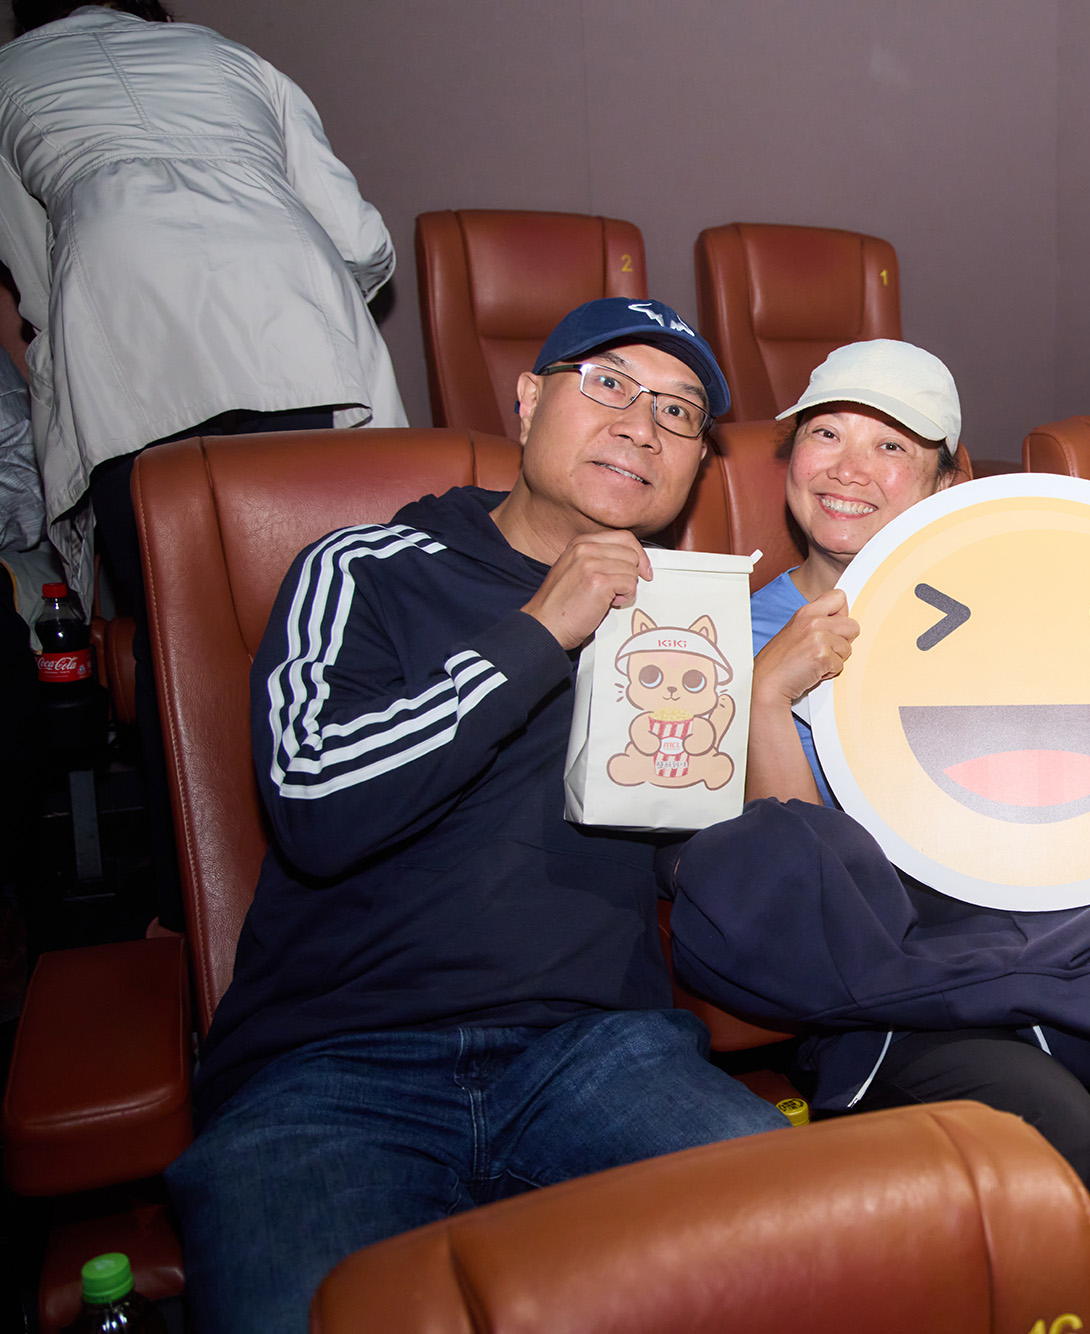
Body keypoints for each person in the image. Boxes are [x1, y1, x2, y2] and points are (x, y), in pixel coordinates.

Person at [163, 299, 787, 1334]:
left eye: (679, 413)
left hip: (599, 1055)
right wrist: (540, 630)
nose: (642, 426)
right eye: (609, 384)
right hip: (333, 1068)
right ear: (529, 398)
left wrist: (761, 712)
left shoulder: (680, 618)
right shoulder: (364, 569)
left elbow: (707, 859)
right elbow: (314, 797)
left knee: (820, 1254)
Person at [743, 339, 1090, 1192]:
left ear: (947, 481)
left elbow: (1060, 820)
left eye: (891, 445)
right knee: (1045, 1133)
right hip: (884, 991)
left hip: (1058, 956)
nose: (848, 468)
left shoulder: (1022, 612)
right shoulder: (723, 642)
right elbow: (800, 901)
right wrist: (767, 697)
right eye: (825, 433)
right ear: (790, 456)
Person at [0, 0, 409, 926]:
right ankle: (367, 892)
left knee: (176, 640)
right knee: (334, 617)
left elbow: (36, 275)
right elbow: (358, 238)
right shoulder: (226, 54)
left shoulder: (10, 79)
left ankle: (197, 912)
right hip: (288, 316)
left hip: (124, 326)